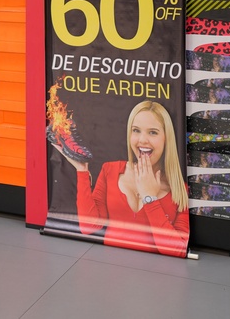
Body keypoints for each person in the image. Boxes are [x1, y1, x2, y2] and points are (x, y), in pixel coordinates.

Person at [56, 101, 190, 256]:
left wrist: (150, 198)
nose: (142, 140)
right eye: (136, 130)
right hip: (111, 268)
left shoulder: (180, 189)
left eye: (153, 132)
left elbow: (177, 249)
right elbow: (89, 227)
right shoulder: (110, 171)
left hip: (157, 274)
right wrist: (82, 171)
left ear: (167, 138)